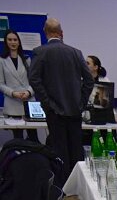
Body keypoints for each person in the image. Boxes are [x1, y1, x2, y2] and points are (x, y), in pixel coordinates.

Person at [29, 17, 93, 181]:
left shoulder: (40, 52)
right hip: (75, 110)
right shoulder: (75, 52)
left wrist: (47, 103)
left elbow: (34, 80)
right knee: (76, 151)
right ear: (61, 33)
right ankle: (79, 186)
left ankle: (62, 187)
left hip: (54, 111)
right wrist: (81, 102)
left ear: (45, 33)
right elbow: (89, 80)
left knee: (59, 151)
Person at [0, 29, 38, 141]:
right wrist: (13, 93)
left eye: (15, 40)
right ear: (6, 42)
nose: (13, 42)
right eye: (10, 40)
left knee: (34, 138)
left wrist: (28, 92)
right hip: (13, 104)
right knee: (18, 139)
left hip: (29, 102)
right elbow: (1, 84)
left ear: (19, 42)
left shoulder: (27, 59)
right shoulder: (2, 60)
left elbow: (34, 81)